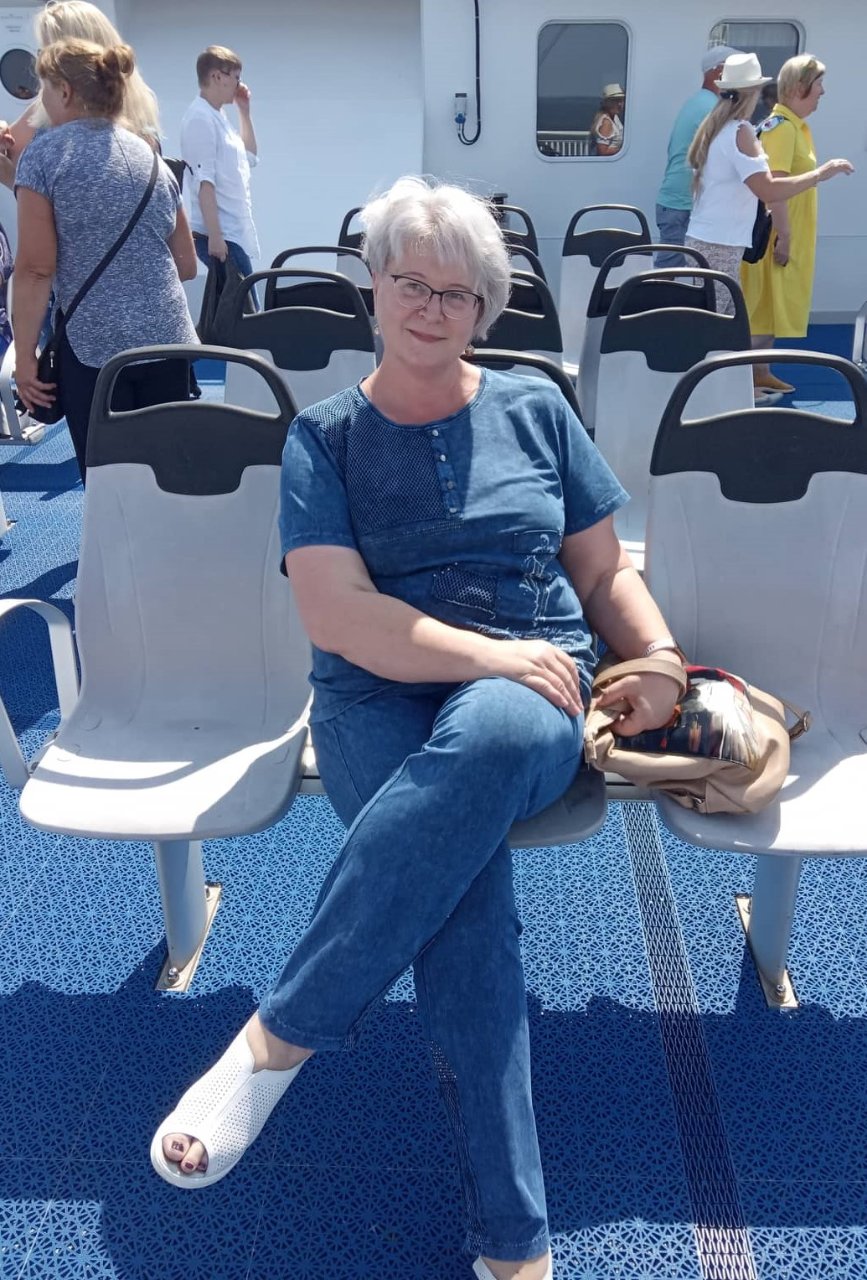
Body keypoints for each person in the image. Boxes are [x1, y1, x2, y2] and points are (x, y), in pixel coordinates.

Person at [150, 175, 688, 1280]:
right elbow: (340, 616)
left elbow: (600, 572)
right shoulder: (325, 440)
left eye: (456, 292)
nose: (431, 308)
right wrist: (489, 654)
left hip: (529, 692)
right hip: (377, 694)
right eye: (411, 282)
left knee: (493, 737)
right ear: (375, 287)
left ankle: (278, 1036)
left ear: (483, 308)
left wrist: (661, 657)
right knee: (468, 918)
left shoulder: (536, 406)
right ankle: (515, 1243)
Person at [13, 39, 198, 480]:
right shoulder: (150, 156)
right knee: (168, 478)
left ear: (63, 91)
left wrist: (23, 358)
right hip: (169, 341)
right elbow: (187, 264)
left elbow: (36, 270)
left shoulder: (44, 156)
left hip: (96, 350)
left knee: (110, 483)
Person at [684, 53, 852, 344]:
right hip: (722, 246)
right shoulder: (741, 131)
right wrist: (820, 174)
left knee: (718, 327)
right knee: (713, 333)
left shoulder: (718, 128)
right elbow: (769, 190)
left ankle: (721, 373)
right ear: (754, 91)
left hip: (706, 241)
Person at [741, 55, 832, 396]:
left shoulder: (795, 127)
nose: (823, 91)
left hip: (785, 233)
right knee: (763, 308)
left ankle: (759, 374)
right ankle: (739, 377)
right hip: (776, 235)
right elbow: (773, 187)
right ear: (799, 87)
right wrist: (784, 237)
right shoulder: (782, 129)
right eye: (818, 83)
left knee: (770, 309)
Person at [0, 0, 161, 186]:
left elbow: (79, 203)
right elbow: (10, 144)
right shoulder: (47, 106)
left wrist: (12, 179)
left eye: (47, 54)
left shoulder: (136, 138)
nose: (40, 65)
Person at [180, 45, 259, 299]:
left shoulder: (219, 117)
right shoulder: (200, 118)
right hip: (220, 235)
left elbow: (250, 157)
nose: (239, 84)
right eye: (235, 77)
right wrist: (215, 237)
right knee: (244, 308)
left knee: (241, 307)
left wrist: (244, 112)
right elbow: (205, 182)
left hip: (234, 233)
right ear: (216, 76)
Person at [655, 44, 740, 266]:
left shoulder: (698, 102)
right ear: (719, 72)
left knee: (669, 272)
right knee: (672, 274)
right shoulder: (712, 109)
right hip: (684, 204)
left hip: (677, 201)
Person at [590, 83, 625, 155]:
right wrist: (623, 149)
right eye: (615, 101)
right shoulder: (606, 123)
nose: (619, 104)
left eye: (621, 101)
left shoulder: (615, 118)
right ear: (607, 103)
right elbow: (603, 151)